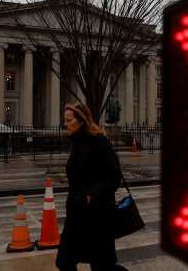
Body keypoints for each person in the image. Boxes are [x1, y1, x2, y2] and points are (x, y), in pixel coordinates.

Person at [56, 103, 127, 271]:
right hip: (76, 215)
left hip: (97, 216)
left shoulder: (99, 141)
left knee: (102, 266)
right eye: (64, 120)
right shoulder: (76, 143)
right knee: (64, 262)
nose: (65, 124)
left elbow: (115, 177)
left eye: (69, 120)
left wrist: (91, 194)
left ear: (81, 121)